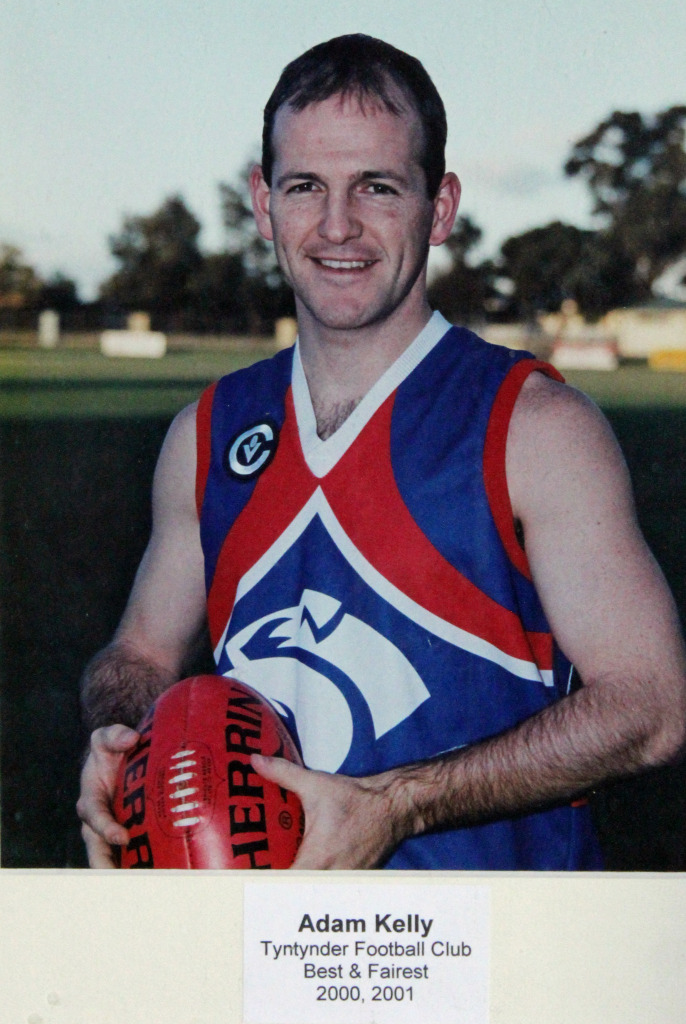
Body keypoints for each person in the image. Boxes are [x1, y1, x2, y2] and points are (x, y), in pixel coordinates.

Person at [77, 34, 686, 870]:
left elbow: (650, 706)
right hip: (265, 957)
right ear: (263, 203)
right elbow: (139, 653)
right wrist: (126, 741)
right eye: (304, 187)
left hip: (483, 965)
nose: (337, 226)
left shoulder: (535, 428)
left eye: (376, 186)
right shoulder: (209, 433)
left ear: (439, 207)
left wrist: (392, 806)